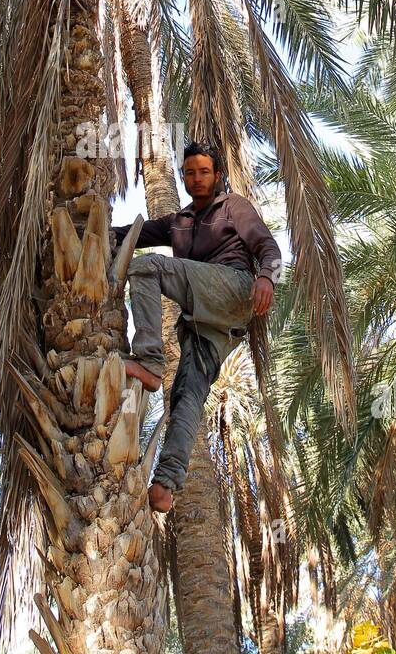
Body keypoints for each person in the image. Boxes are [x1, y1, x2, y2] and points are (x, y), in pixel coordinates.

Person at [113, 141, 281, 513]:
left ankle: (150, 361)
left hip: (235, 290)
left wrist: (267, 277)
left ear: (217, 175)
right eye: (190, 172)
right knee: (186, 396)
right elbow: (131, 234)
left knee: (147, 267)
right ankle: (165, 484)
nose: (197, 178)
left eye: (204, 171)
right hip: (210, 325)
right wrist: (92, 230)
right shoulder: (179, 223)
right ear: (183, 177)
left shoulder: (233, 207)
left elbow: (267, 246)